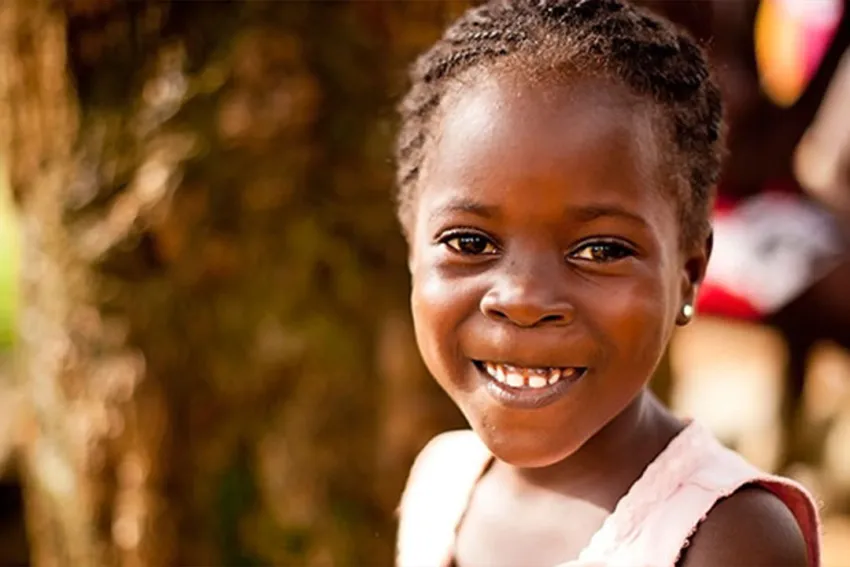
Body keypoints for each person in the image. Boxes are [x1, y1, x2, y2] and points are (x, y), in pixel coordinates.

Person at [391, 1, 821, 566]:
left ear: (688, 274)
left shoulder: (728, 538)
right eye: (471, 243)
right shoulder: (443, 481)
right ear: (410, 249)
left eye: (600, 250)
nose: (522, 298)